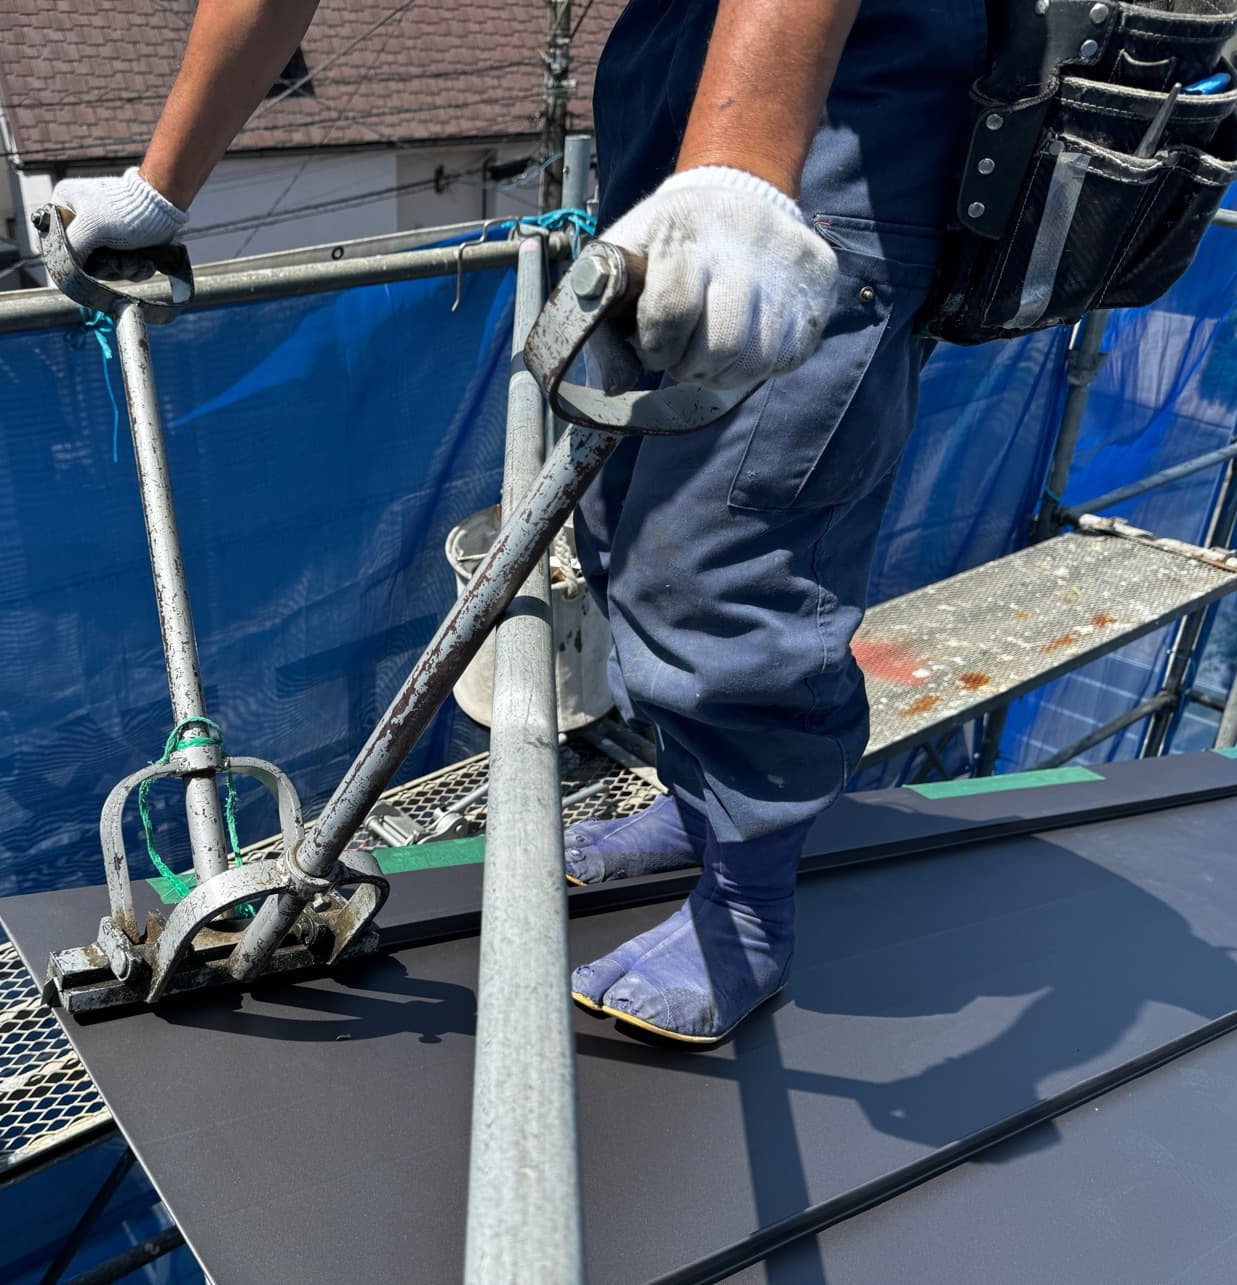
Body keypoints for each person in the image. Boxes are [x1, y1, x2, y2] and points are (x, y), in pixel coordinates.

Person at [55, 0, 986, 1046]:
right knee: (622, 527)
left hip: (836, 87)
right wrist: (157, 188)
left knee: (723, 555)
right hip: (675, 65)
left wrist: (743, 171)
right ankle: (703, 808)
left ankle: (748, 897)